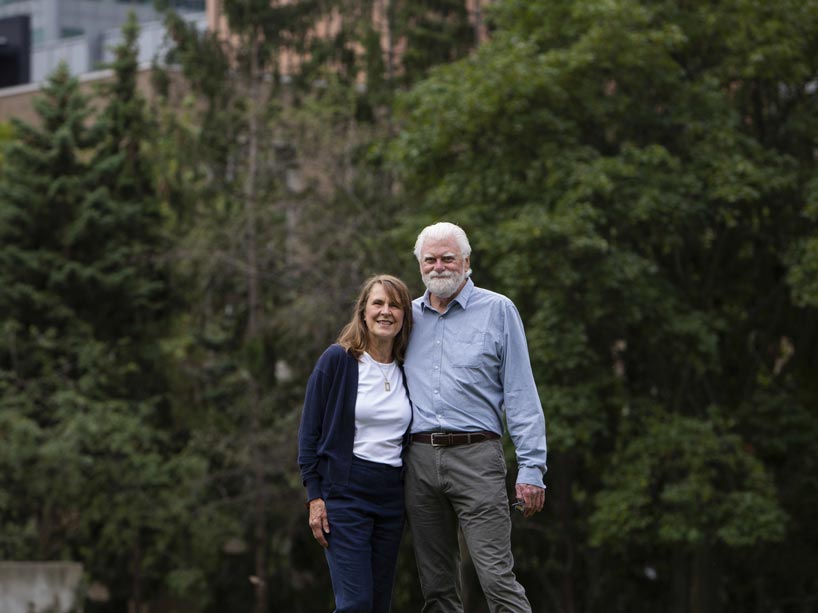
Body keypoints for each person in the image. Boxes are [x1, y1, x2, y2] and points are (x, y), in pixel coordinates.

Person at [403, 222, 547, 613]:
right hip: (418, 461)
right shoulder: (405, 317)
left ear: (466, 262)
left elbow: (520, 393)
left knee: (496, 578)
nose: (438, 267)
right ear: (420, 266)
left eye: (448, 258)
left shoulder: (498, 310)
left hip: (477, 458)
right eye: (430, 260)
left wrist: (532, 468)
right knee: (437, 587)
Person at [298, 274, 414, 613]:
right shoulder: (338, 361)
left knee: (378, 604)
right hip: (346, 495)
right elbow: (309, 433)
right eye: (378, 303)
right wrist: (314, 497)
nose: (386, 311)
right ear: (363, 310)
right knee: (356, 604)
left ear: (405, 315)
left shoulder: (408, 367)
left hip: (392, 498)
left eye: (395, 305)